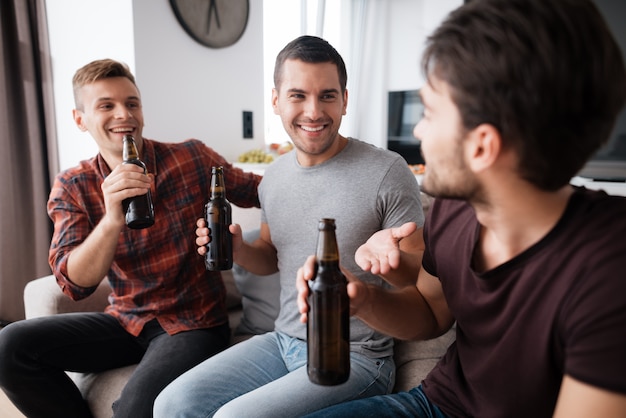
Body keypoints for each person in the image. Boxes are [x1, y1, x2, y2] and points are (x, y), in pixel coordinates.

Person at [295, 0, 626, 417]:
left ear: (482, 146)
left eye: (429, 113)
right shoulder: (455, 208)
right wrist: (361, 301)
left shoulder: (610, 269)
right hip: (436, 405)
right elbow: (431, 313)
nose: (417, 130)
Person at [153, 35, 425, 418]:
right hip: (282, 341)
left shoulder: (387, 171)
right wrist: (239, 249)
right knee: (171, 404)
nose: (313, 111)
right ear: (276, 100)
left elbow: (419, 279)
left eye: (327, 96)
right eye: (298, 95)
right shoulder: (274, 177)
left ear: (345, 99)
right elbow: (270, 256)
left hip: (356, 355)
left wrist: (392, 259)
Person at [0, 59, 261, 418]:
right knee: (9, 345)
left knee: (135, 409)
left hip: (193, 323)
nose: (124, 114)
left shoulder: (191, 158)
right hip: (126, 320)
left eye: (132, 103)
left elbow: (263, 191)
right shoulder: (73, 185)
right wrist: (111, 219)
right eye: (106, 105)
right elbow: (73, 283)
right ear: (80, 120)